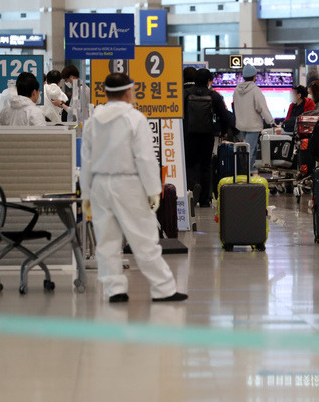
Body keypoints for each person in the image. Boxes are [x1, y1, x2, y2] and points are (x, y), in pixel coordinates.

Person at [80, 73, 188, 303]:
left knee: (107, 241)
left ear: (106, 93)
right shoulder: (135, 118)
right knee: (144, 238)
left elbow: (86, 159)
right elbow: (145, 158)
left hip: (99, 184)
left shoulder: (93, 120)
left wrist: (86, 193)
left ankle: (114, 290)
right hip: (128, 183)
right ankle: (163, 289)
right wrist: (153, 189)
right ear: (129, 92)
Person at [185, 68, 235, 207]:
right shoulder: (214, 96)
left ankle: (190, 194)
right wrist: (224, 131)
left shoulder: (185, 94)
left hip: (189, 136)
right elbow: (225, 117)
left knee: (189, 165)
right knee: (206, 166)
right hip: (207, 137)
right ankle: (204, 199)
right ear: (208, 81)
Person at [233, 64, 274, 172]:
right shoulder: (255, 90)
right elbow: (262, 108)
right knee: (251, 150)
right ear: (254, 76)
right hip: (253, 125)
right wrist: (271, 121)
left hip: (241, 125)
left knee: (246, 149)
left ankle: (250, 171)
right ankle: (247, 173)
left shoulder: (237, 90)